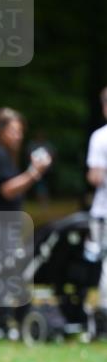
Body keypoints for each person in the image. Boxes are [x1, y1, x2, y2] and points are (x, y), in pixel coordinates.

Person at [0, 107, 51, 339]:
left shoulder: (1, 154)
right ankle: (1, 323)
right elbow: (8, 189)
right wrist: (35, 172)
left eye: (20, 131)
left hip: (1, 221)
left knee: (5, 269)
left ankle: (2, 322)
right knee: (8, 268)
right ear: (1, 131)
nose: (18, 135)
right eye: (13, 130)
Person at [86, 86, 107, 330]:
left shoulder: (100, 137)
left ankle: (103, 312)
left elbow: (95, 177)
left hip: (103, 211)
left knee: (103, 262)